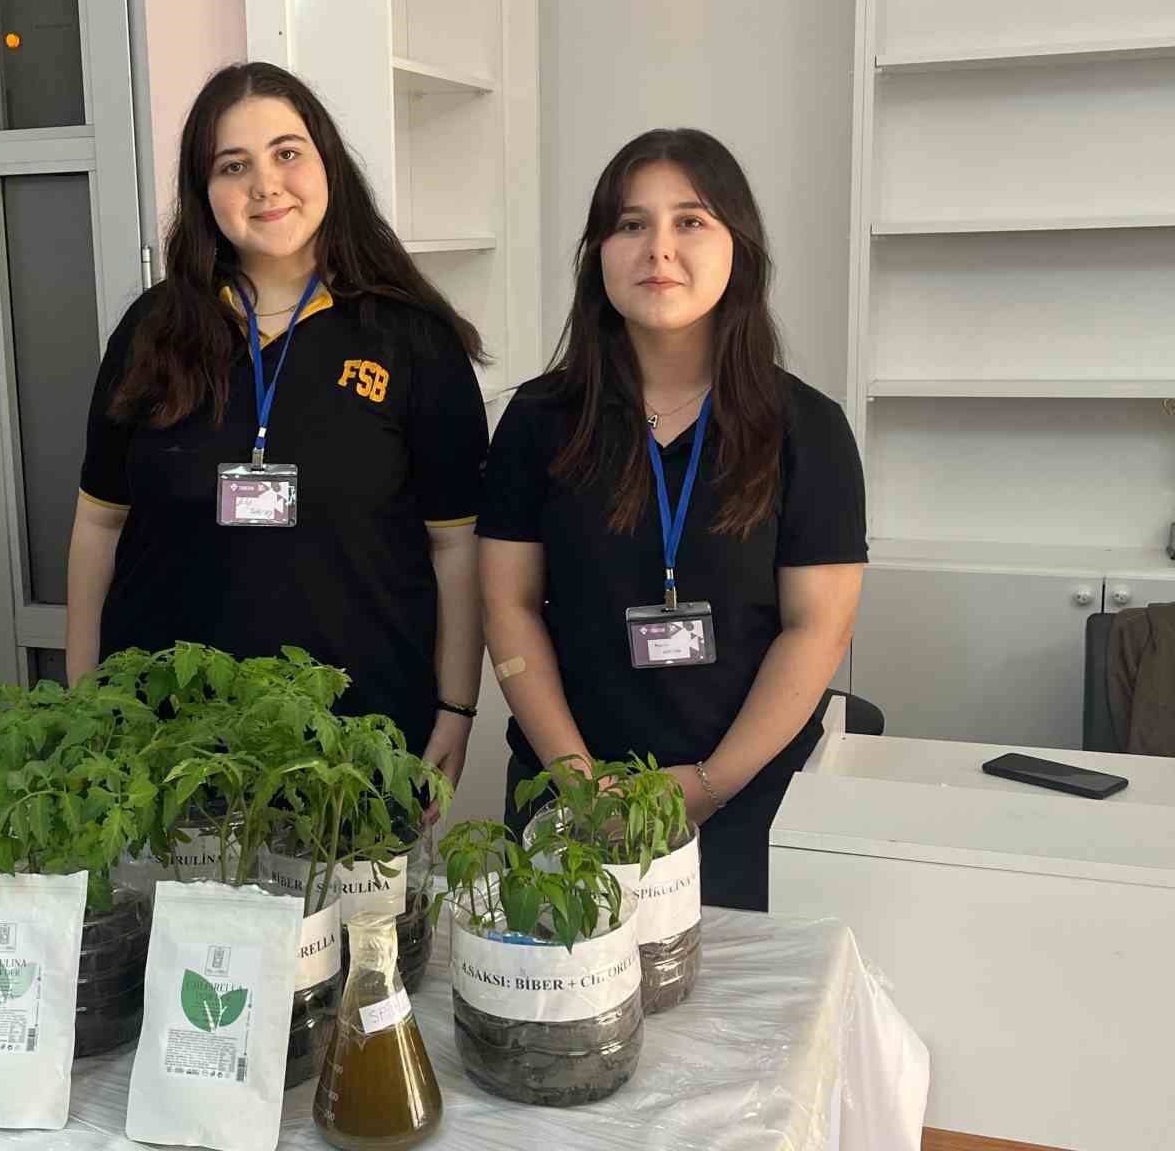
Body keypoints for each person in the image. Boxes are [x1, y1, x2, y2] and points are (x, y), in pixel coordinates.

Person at [65, 62, 489, 806]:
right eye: (234, 166)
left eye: (287, 154)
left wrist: (456, 706)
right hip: (167, 741)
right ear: (204, 192)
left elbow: (456, 543)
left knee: (354, 925)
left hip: (358, 735)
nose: (265, 185)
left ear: (329, 164)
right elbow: (100, 520)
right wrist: (84, 697)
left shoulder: (411, 339)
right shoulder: (153, 330)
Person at [478, 129, 866, 910]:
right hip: (569, 796)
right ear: (599, 253)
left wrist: (707, 786)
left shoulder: (807, 428)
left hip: (750, 800)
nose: (659, 248)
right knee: (560, 1014)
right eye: (630, 224)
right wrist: (578, 782)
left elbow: (817, 628)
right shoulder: (539, 419)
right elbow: (508, 605)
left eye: (690, 221)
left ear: (739, 249)